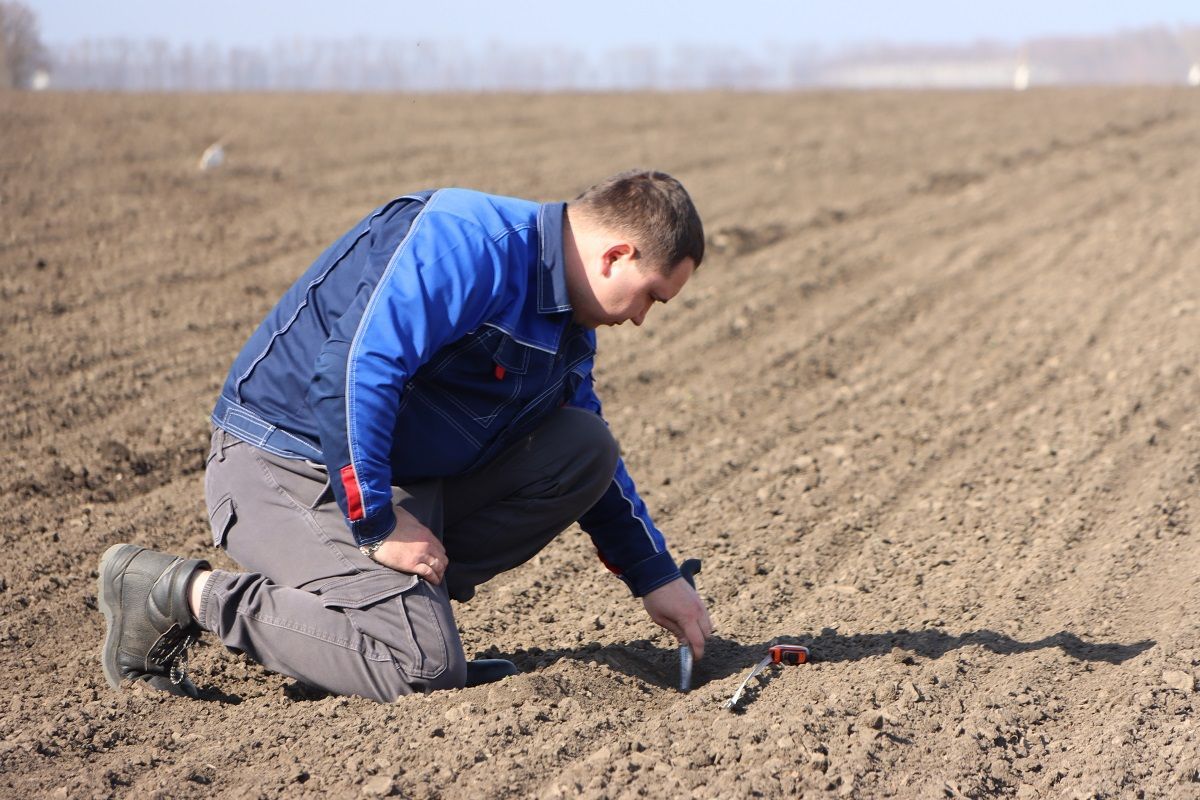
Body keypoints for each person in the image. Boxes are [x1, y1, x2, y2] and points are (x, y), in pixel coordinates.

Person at [97, 170, 713, 702]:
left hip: (387, 479)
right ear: (616, 255)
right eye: (652, 297)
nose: (639, 317)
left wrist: (654, 574)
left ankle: (356, 622)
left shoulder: (568, 332)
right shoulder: (469, 240)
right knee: (420, 667)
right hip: (282, 461)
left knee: (584, 448)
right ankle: (176, 593)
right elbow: (355, 370)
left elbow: (590, 459)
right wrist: (378, 524)